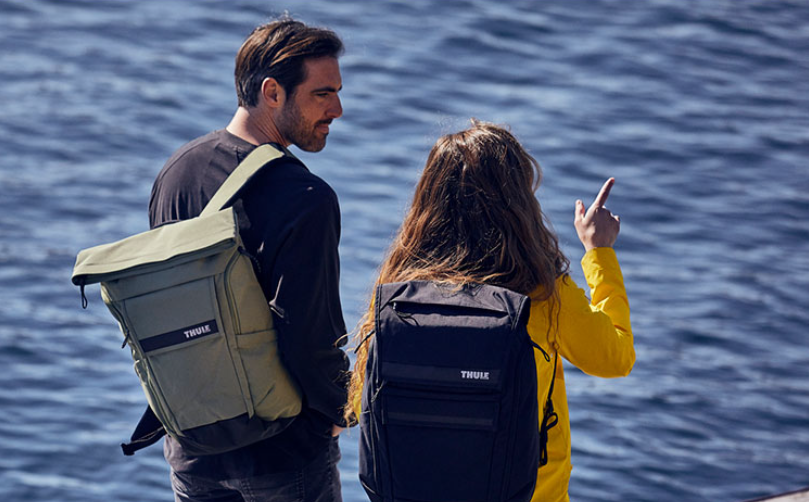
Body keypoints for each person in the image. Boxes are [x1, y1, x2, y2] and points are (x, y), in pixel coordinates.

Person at [345, 121, 635, 502]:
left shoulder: (398, 293)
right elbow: (615, 358)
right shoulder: (543, 293)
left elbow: (360, 402)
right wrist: (598, 253)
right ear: (519, 204)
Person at [149, 17, 348, 502]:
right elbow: (308, 333)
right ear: (272, 92)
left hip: (194, 446)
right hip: (283, 455)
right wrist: (338, 409)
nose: (337, 110)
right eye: (323, 94)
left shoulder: (176, 174)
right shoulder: (306, 197)